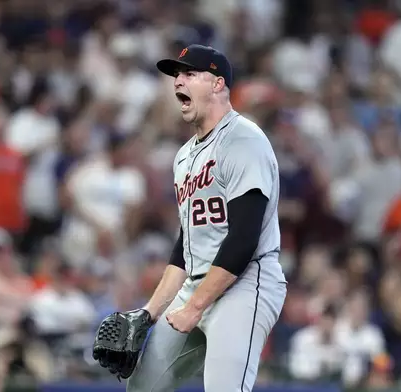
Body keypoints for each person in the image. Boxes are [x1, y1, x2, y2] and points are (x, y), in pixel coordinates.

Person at [126, 44, 287, 392]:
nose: (177, 82)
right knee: (143, 387)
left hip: (245, 283)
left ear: (217, 84)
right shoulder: (184, 156)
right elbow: (185, 245)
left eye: (189, 73)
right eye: (176, 75)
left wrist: (194, 308)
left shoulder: (244, 139)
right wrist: (150, 312)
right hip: (195, 285)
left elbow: (243, 238)